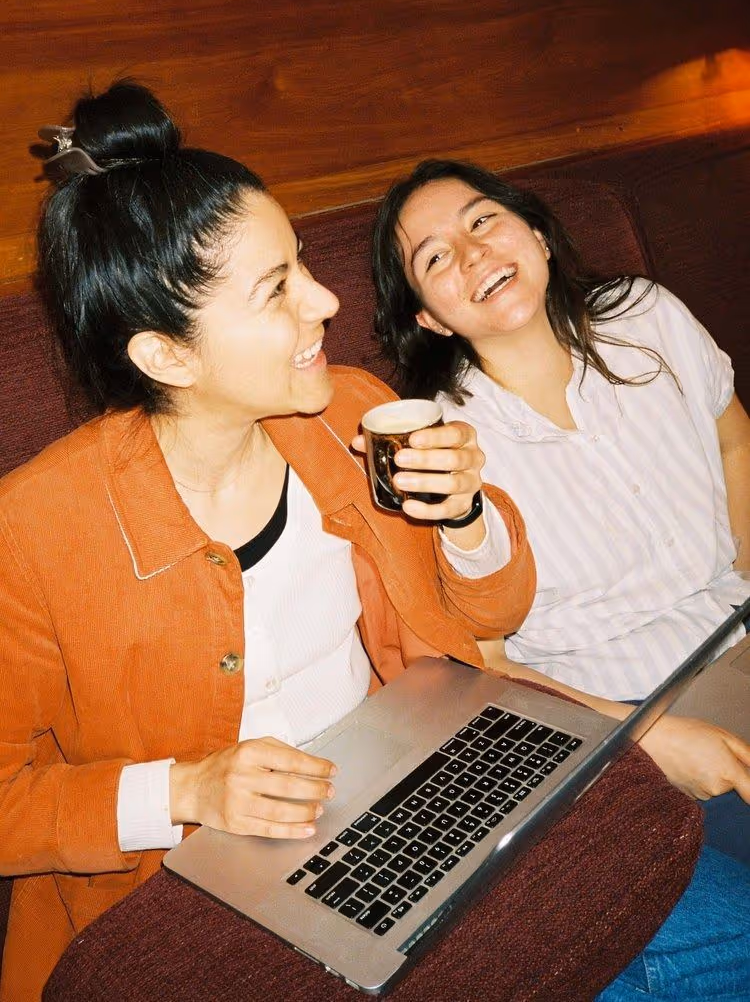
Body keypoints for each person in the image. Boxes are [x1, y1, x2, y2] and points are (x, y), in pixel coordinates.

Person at [0, 84, 535, 1002]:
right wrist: (185, 789)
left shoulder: (355, 415)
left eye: (302, 265)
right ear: (167, 356)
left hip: (400, 815)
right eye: (277, 288)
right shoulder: (35, 529)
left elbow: (496, 609)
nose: (326, 299)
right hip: (172, 905)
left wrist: (467, 517)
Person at [371, 157, 750, 868]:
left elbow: (734, 437)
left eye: (483, 219)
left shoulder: (646, 315)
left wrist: (741, 584)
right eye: (436, 257)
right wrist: (646, 737)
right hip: (616, 721)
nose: (474, 251)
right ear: (428, 317)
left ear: (539, 236)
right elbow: (479, 664)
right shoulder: (440, 449)